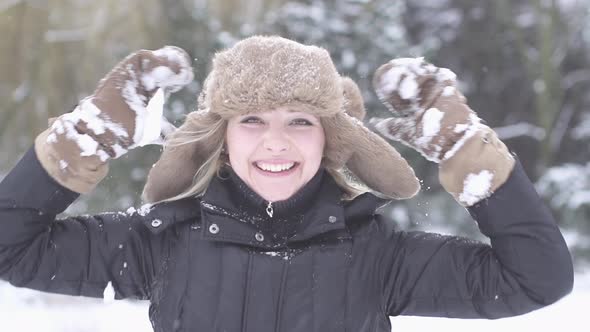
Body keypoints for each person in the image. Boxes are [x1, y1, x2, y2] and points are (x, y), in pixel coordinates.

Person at [0, 36, 573, 332]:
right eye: (252, 120)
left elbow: (537, 279)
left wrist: (469, 156)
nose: (277, 142)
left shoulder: (380, 254)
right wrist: (84, 140)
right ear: (221, 137)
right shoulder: (159, 243)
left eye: (300, 121)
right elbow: (10, 248)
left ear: (331, 139)